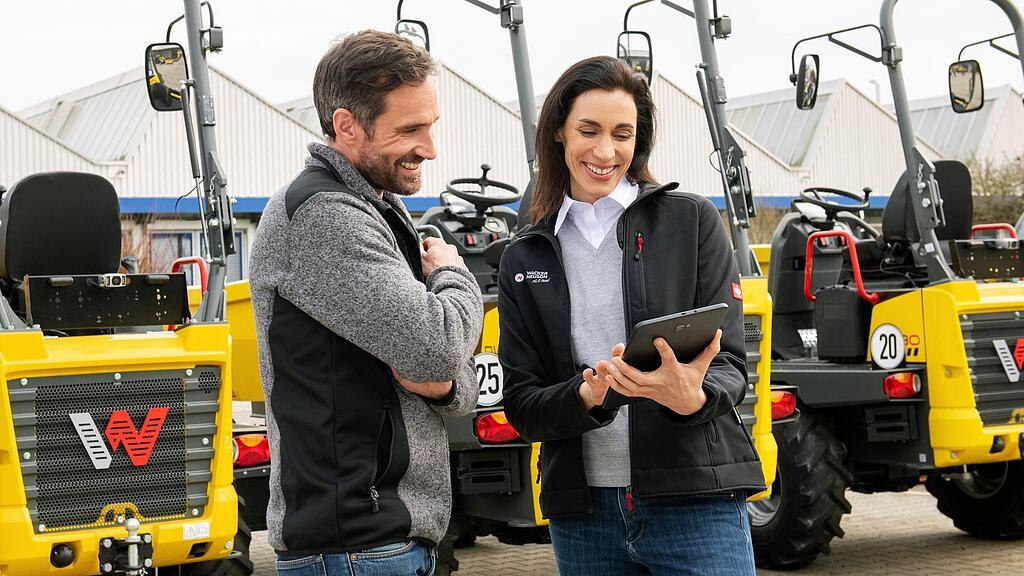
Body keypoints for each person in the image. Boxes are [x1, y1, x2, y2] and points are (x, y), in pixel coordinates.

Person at [498, 56, 765, 575]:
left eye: (622, 133)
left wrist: (694, 396)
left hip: (695, 503)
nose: (605, 151)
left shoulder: (692, 222)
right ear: (558, 131)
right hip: (584, 515)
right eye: (588, 130)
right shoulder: (524, 255)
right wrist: (586, 395)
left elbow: (731, 367)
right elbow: (522, 405)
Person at [249, 30, 483, 576]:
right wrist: (454, 274)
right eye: (410, 130)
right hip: (354, 545)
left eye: (431, 125)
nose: (429, 147)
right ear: (346, 124)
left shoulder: (378, 210)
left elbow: (445, 374)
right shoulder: (325, 217)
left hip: (384, 542)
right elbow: (436, 344)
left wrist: (448, 383)